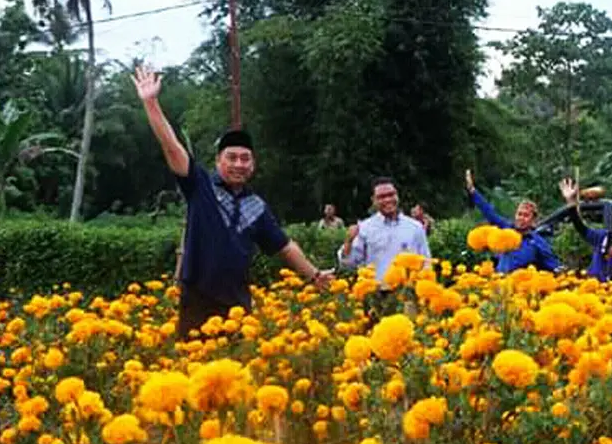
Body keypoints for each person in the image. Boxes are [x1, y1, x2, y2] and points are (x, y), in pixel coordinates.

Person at [134, 66, 332, 337]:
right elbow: (171, 146)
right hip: (197, 302)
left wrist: (314, 274)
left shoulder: (257, 207)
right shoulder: (199, 185)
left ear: (253, 164)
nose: (239, 164)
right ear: (218, 161)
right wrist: (151, 103)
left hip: (239, 305)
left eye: (245, 158)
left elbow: (285, 246)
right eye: (232, 157)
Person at [464, 170, 561, 273]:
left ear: (533, 220)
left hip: (521, 284)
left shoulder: (537, 242)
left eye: (526, 215)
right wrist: (473, 191)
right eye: (519, 214)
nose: (521, 218)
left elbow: (553, 264)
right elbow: (490, 213)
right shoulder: (507, 229)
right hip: (499, 282)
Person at [339, 177, 431, 284]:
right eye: (381, 197)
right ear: (373, 200)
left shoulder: (415, 227)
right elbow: (348, 264)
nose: (387, 199)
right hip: (377, 294)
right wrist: (349, 241)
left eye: (391, 194)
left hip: (409, 292)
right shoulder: (365, 228)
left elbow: (426, 261)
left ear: (397, 195)